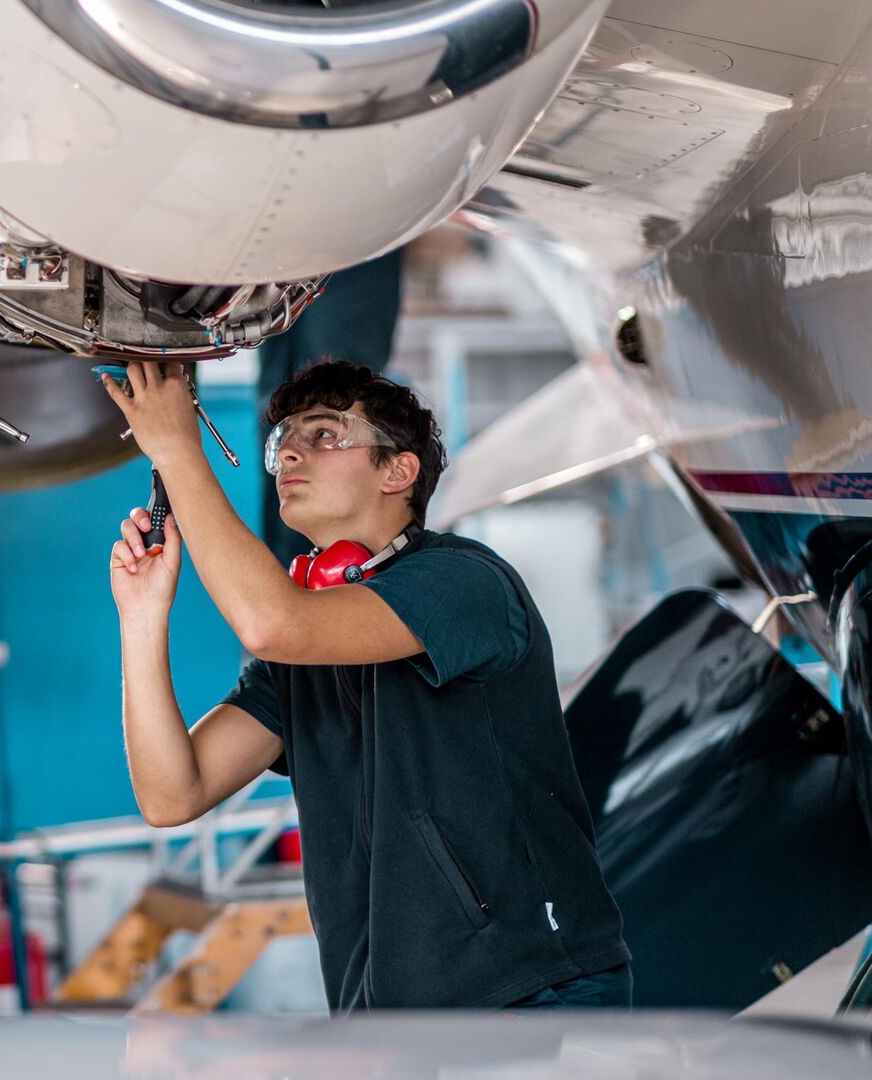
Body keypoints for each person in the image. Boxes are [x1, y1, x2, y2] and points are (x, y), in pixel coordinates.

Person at [102, 358, 631, 1011]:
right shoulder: (304, 653)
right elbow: (170, 795)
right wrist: (142, 618)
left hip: (527, 992)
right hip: (390, 1016)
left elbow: (272, 623)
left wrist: (179, 450)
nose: (290, 451)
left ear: (398, 472)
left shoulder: (463, 584)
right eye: (284, 441)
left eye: (324, 434)